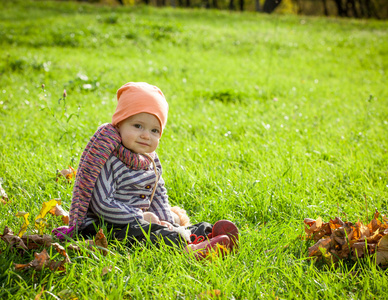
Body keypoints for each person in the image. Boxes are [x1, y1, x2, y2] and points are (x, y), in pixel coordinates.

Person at [53, 82, 238, 259]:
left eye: (154, 130)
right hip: (107, 226)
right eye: (137, 126)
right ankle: (189, 250)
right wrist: (141, 216)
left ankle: (208, 234)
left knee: (171, 228)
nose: (145, 135)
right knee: (147, 234)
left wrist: (168, 222)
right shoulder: (109, 159)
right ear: (119, 125)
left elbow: (158, 194)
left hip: (142, 221)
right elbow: (102, 204)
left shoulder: (151, 160)